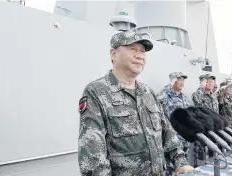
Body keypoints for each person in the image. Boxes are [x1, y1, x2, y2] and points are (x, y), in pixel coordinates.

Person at [77, 31, 193, 176]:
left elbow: (167, 132)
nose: (140, 56)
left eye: (142, 51)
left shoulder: (148, 93)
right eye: (132, 49)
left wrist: (180, 162)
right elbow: (92, 157)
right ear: (113, 54)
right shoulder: (96, 92)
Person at [157, 72, 191, 176]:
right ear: (173, 81)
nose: (182, 82)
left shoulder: (184, 97)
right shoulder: (164, 95)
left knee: (184, 167)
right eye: (179, 79)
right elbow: (157, 106)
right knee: (171, 169)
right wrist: (169, 86)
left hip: (185, 139)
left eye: (183, 80)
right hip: (172, 140)